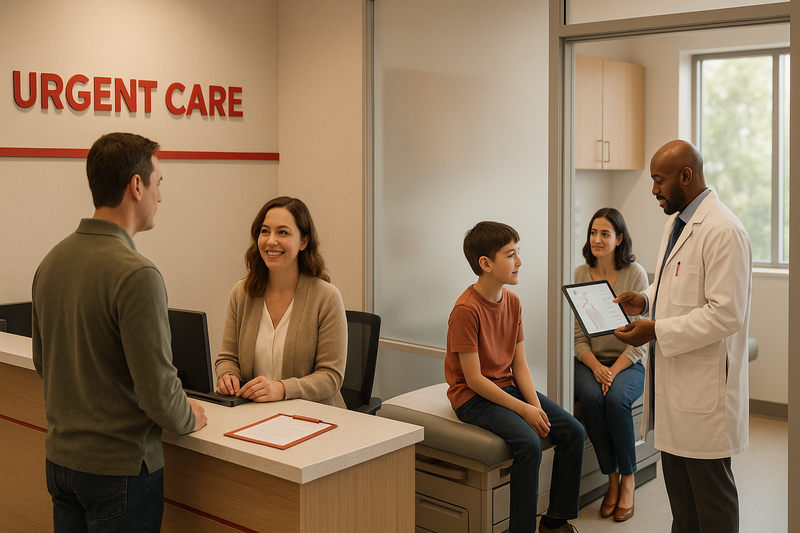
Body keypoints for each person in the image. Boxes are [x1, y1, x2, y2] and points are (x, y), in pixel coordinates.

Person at [31, 133, 208, 533]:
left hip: (61, 465)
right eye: (158, 183)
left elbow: (45, 363)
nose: (160, 197)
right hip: (120, 473)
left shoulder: (51, 261)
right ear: (136, 185)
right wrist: (189, 417)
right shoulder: (137, 274)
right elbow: (159, 392)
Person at [614, 140, 752, 533]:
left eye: (659, 180)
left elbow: (727, 314)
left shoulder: (723, 230)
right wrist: (644, 299)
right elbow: (672, 284)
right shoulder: (676, 223)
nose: (654, 189)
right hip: (675, 390)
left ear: (685, 176)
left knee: (711, 503)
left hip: (704, 394)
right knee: (682, 504)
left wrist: (656, 329)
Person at [445, 221, 585, 533]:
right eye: (510, 254)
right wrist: (523, 410)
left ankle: (554, 522)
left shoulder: (513, 302)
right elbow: (474, 379)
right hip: (472, 397)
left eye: (518, 252)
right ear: (486, 263)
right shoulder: (466, 310)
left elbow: (519, 365)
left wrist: (536, 407)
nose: (519, 261)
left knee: (573, 431)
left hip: (505, 386)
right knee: (528, 444)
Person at [215, 196, 347, 407]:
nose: (271, 241)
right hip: (254, 415)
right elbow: (228, 358)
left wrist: (282, 389)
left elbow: (331, 377)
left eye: (282, 232)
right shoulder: (242, 292)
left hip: (315, 418)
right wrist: (227, 375)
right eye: (265, 231)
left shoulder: (326, 297)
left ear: (304, 241)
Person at [573, 208, 647, 522]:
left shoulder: (635, 275)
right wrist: (596, 368)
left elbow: (640, 338)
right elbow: (577, 337)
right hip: (590, 362)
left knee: (616, 399)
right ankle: (611, 478)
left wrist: (612, 371)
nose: (597, 239)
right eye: (593, 233)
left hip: (627, 362)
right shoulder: (579, 274)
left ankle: (628, 477)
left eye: (605, 233)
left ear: (619, 239)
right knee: (590, 397)